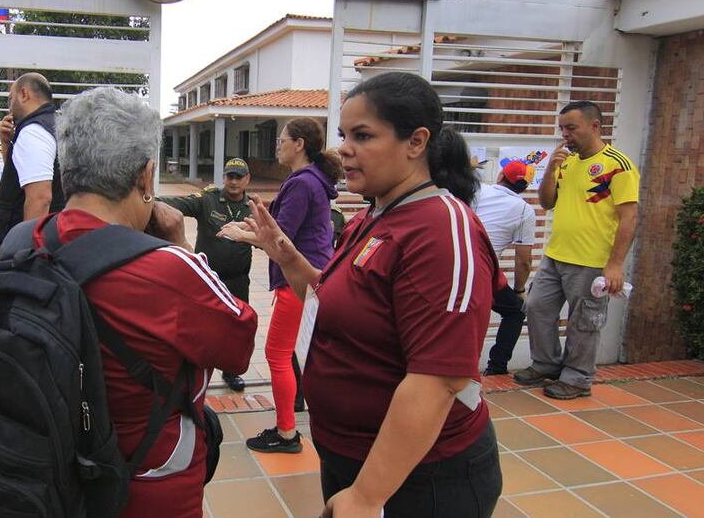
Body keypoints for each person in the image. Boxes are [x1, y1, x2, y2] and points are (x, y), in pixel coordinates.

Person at [222, 71, 502, 517]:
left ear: (416, 142)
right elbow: (328, 297)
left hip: (418, 478)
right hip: (351, 456)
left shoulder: (442, 232)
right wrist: (283, 252)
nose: (344, 149)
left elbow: (440, 378)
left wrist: (369, 494)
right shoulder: (371, 217)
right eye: (343, 135)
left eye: (363, 135)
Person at [42, 87, 256, 517]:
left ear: (68, 170)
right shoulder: (168, 271)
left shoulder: (26, 243)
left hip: (50, 471)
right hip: (149, 478)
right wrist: (180, 247)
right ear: (145, 177)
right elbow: (239, 343)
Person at [513, 101, 639, 400]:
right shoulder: (567, 162)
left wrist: (615, 265)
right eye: (562, 129)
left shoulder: (616, 165)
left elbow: (629, 217)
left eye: (571, 128)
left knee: (584, 321)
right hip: (556, 255)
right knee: (536, 307)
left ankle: (578, 378)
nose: (565, 135)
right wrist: (551, 169)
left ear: (595, 126)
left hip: (592, 261)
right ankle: (546, 364)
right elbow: (546, 202)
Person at [246, 118, 342, 454]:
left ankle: (287, 433)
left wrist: (243, 234)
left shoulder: (303, 183)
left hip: (298, 281)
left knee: (277, 354)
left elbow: (279, 240)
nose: (278, 145)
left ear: (299, 144)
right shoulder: (309, 180)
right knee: (304, 354)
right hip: (308, 278)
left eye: (282, 139)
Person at [157, 157, 254, 392]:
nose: (233, 182)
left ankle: (231, 373)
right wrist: (149, 200)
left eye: (238, 177)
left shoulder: (252, 207)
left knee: (235, 328)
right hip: (209, 279)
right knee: (202, 326)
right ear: (224, 178)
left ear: (247, 180)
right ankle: (194, 371)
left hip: (239, 279)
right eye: (229, 176)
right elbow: (178, 203)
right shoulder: (208, 199)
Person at [474, 160, 537, 375]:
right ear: (524, 188)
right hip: (483, 271)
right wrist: (519, 290)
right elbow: (524, 261)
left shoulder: (477, 190)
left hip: (453, 263)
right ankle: (497, 367)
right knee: (515, 313)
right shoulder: (524, 210)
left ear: (501, 175)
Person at [0, 72, 66, 246]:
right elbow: (22, 179)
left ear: (24, 94)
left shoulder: (33, 132)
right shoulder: (58, 125)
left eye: (10, 99)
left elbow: (39, 198)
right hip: (57, 237)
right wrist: (7, 144)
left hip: (36, 246)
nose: (9, 107)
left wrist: (27, 253)